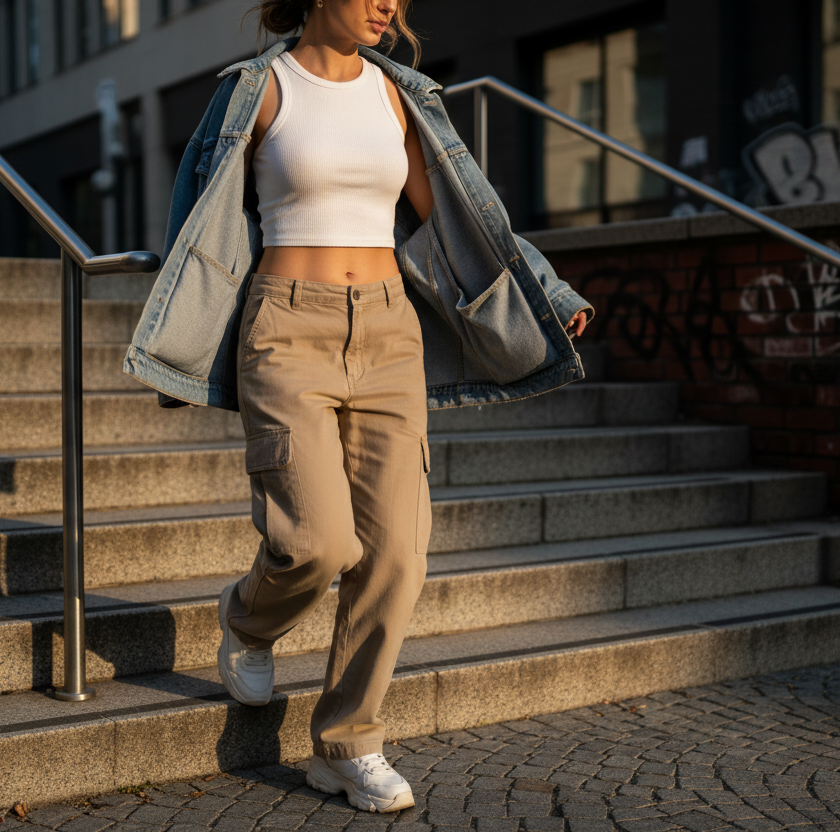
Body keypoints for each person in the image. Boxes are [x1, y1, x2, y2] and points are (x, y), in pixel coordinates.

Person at [123, 0, 593, 814]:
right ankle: (248, 621)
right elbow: (198, 221)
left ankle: (347, 746)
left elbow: (466, 213)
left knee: (398, 555)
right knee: (316, 542)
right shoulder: (258, 89)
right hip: (285, 328)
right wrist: (181, 334)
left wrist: (544, 291)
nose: (388, 6)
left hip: (388, 331)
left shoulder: (401, 95)